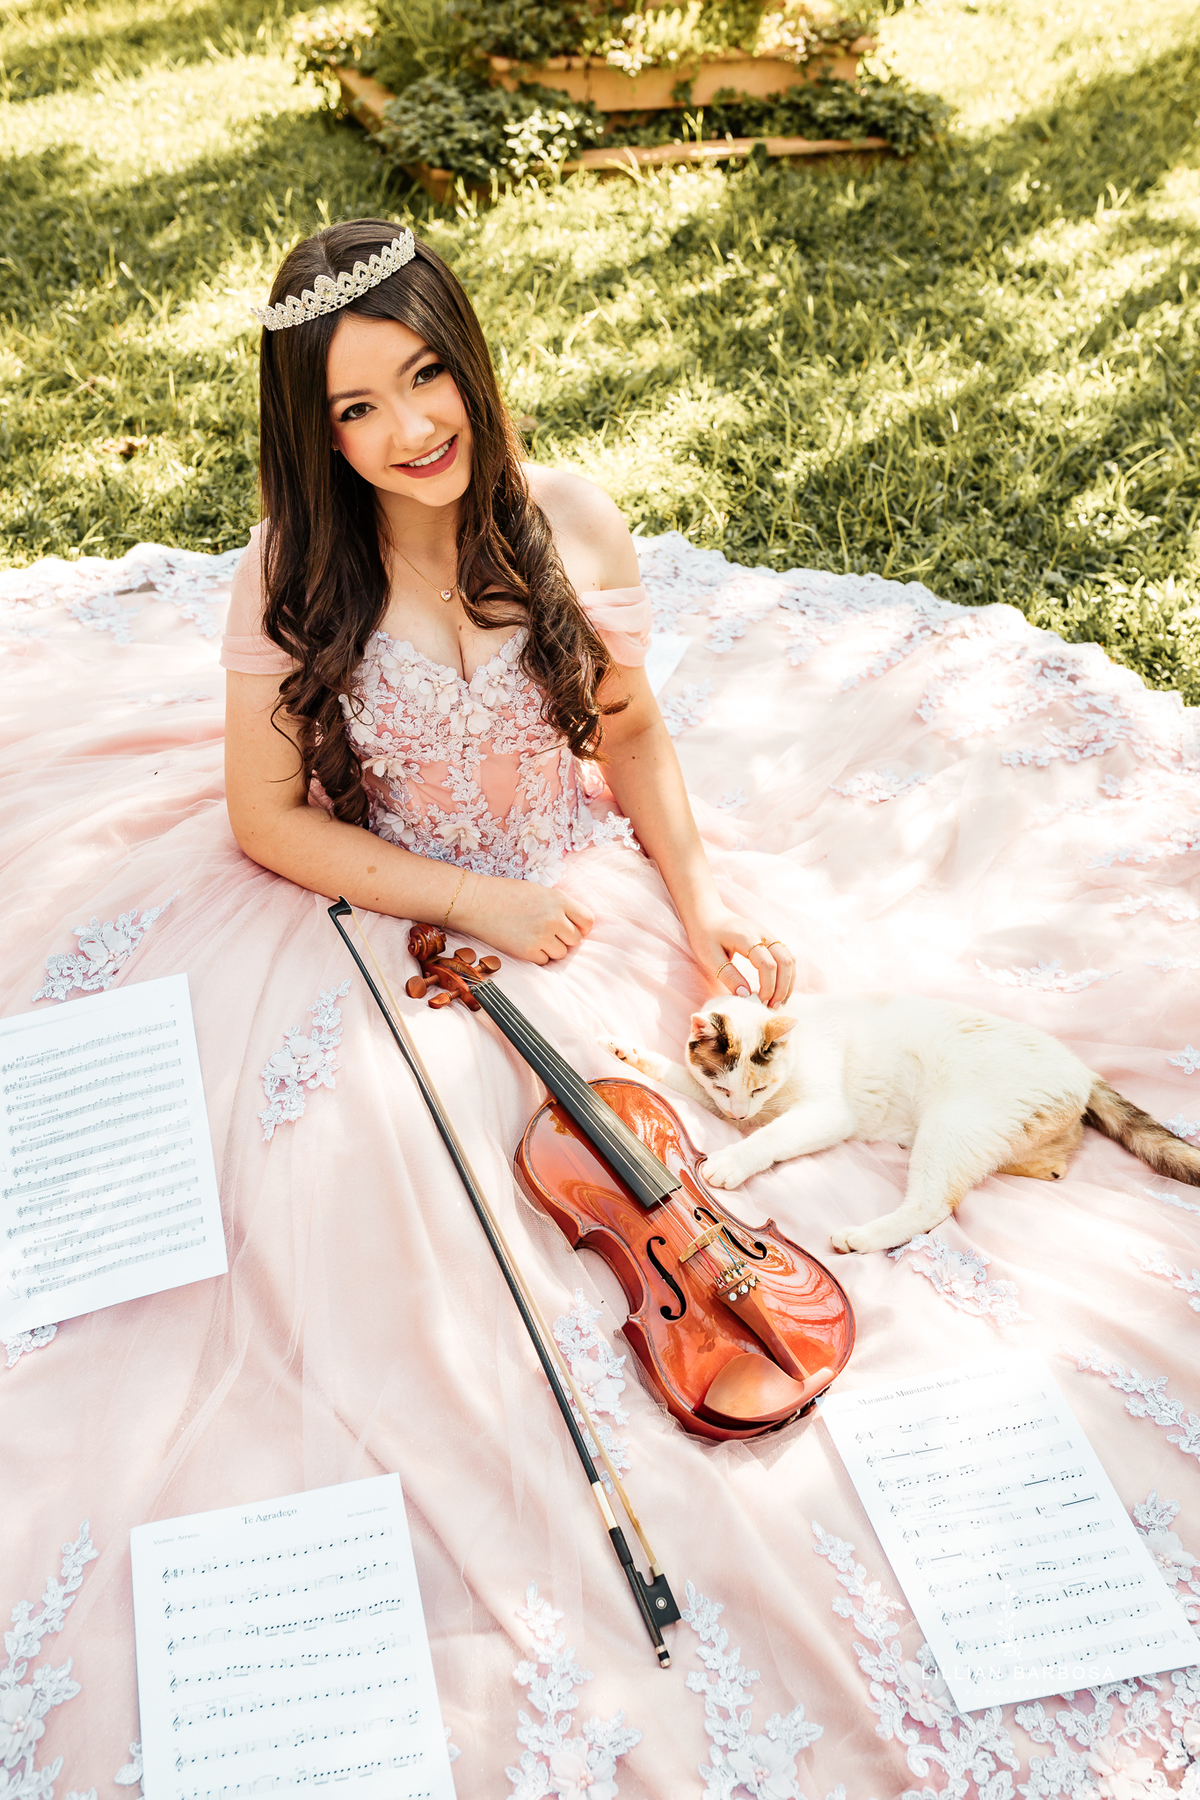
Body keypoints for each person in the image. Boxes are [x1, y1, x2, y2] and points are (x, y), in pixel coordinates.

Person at [223, 217, 796, 1009]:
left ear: (465, 354)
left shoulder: (579, 522)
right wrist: (471, 902)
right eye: (357, 409)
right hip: (390, 904)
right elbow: (265, 818)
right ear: (318, 433)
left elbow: (628, 732)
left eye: (424, 374)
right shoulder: (291, 565)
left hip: (573, 880)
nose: (413, 429)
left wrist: (702, 905)